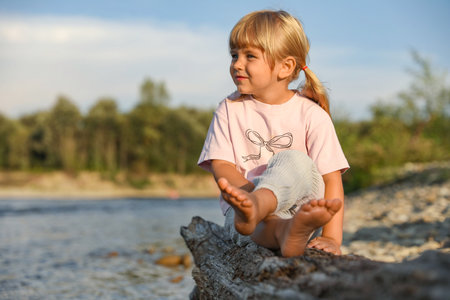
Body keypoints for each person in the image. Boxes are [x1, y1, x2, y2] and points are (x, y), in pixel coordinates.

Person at [198, 10, 349, 257]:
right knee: (250, 223)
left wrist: (331, 237)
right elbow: (221, 165)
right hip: (245, 214)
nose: (237, 63)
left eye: (250, 56)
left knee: (293, 160)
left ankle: (276, 216)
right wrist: (247, 200)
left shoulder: (311, 114)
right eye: (234, 55)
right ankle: (284, 232)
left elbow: (331, 179)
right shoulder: (229, 109)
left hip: (300, 209)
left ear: (285, 66)